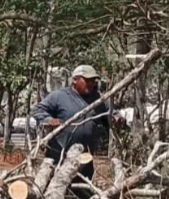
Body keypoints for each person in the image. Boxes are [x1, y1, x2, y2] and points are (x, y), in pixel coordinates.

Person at [31, 64, 114, 192]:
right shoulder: (59, 96)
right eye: (87, 80)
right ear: (75, 80)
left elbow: (111, 113)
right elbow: (37, 110)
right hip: (59, 156)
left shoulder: (98, 99)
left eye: (93, 81)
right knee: (54, 191)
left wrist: (116, 118)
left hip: (85, 159)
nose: (91, 84)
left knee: (83, 193)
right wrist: (49, 120)